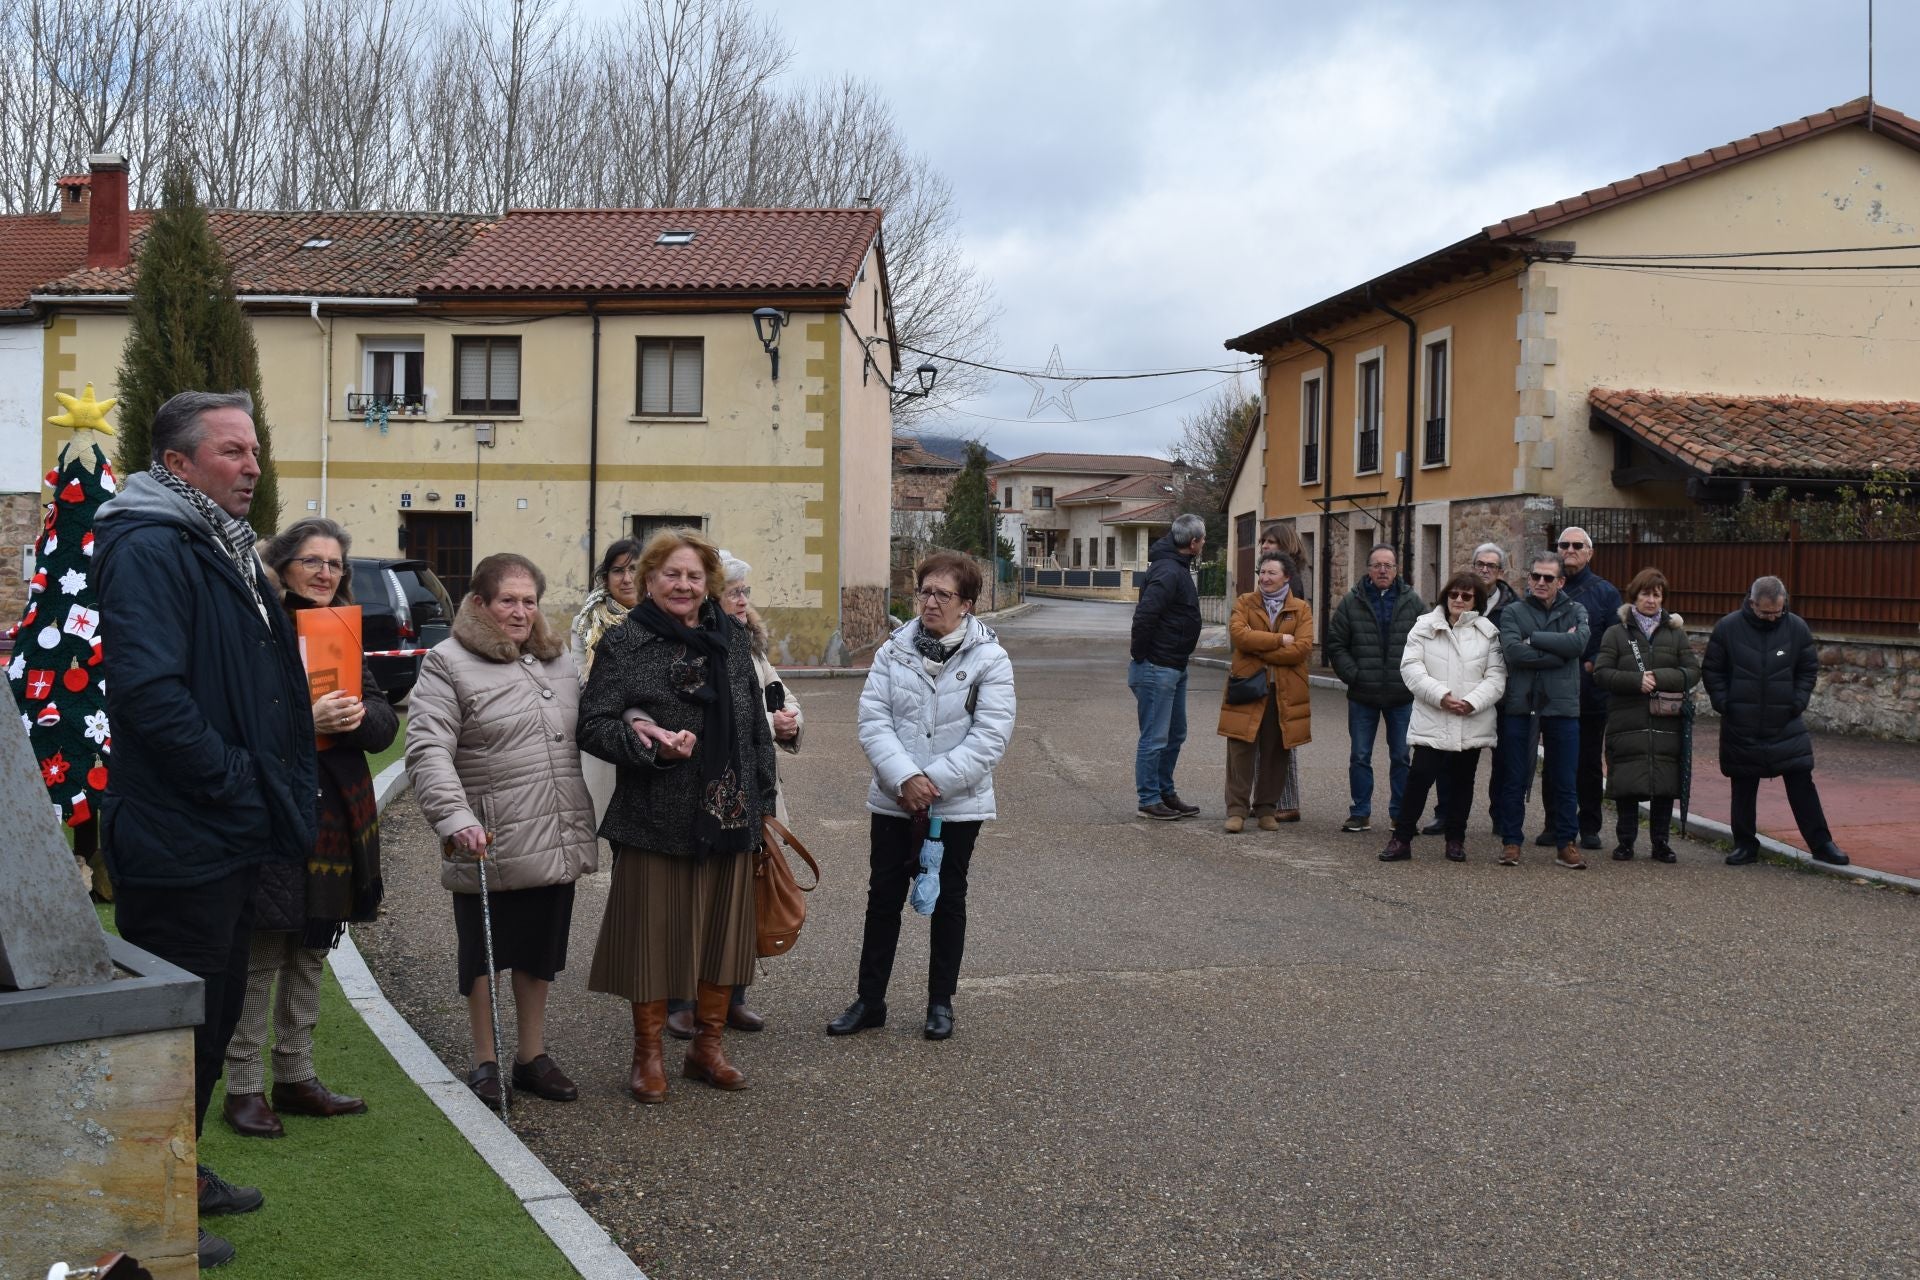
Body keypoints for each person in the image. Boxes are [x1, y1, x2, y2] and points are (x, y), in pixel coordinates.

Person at [96, 389, 316, 1270]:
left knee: (213, 1012)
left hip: (223, 829)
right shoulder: (150, 544)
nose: (252, 466)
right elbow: (149, 694)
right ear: (177, 464)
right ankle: (145, 1211)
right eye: (232, 451)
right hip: (181, 831)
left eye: (255, 450)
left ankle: (179, 1170)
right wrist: (232, 784)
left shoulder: (218, 545)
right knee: (174, 1030)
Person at [578, 530, 776, 1102]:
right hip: (655, 815)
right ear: (649, 580)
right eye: (671, 574)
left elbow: (754, 728)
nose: (683, 585)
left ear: (708, 583)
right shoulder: (627, 642)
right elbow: (593, 724)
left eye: (694, 576)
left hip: (730, 812)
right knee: (652, 938)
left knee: (722, 933)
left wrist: (761, 803)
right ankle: (647, 1056)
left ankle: (706, 1048)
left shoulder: (731, 641)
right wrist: (649, 746)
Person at [222, 518, 397, 1139]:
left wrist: (356, 719)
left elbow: (382, 723)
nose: (325, 574)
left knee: (312, 951)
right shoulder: (257, 629)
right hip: (276, 810)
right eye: (312, 562)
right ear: (284, 565)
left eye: (334, 565)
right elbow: (239, 724)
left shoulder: (343, 628)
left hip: (335, 813)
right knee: (263, 953)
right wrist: (308, 716)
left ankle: (296, 1076)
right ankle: (242, 1087)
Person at [406, 553, 599, 1110]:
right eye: (507, 600)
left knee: (540, 953)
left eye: (529, 601)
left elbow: (592, 723)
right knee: (484, 956)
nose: (519, 612)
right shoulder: (447, 662)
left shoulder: (559, 661)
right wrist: (454, 816)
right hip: (487, 837)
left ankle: (531, 1057)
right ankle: (486, 1061)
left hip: (554, 834)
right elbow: (427, 748)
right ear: (480, 603)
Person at [829, 551, 1015, 1042]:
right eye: (925, 592)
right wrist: (904, 780)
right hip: (895, 799)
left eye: (943, 594)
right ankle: (870, 1001)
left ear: (967, 604)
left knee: (949, 900)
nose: (930, 602)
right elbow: (874, 721)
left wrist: (931, 783)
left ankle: (940, 1003)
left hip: (956, 805)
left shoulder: (990, 659)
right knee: (882, 898)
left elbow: (991, 736)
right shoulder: (894, 650)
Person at [662, 551, 796, 1040]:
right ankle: (681, 1000)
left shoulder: (751, 646)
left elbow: (779, 694)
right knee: (692, 900)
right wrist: (767, 722)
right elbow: (707, 716)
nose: (744, 600)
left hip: (751, 789)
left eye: (746, 593)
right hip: (700, 789)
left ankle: (731, 997)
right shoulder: (696, 643)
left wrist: (788, 722)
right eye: (736, 592)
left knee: (741, 898)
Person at [1702, 576, 1849, 867]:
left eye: (1777, 612)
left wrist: (1797, 702)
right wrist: (1725, 703)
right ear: (1752, 602)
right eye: (1765, 612)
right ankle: (1744, 844)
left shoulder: (1796, 627)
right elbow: (1712, 670)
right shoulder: (1728, 628)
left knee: (1801, 781)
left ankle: (1822, 844)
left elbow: (1808, 668)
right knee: (1743, 785)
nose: (1772, 618)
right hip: (1741, 721)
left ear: (1784, 603)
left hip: (1786, 720)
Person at [1380, 572, 1506, 863]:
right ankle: (1401, 839)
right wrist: (1440, 695)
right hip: (1433, 716)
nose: (1458, 600)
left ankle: (1455, 840)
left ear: (1477, 600)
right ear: (1445, 596)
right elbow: (1411, 667)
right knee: (1419, 777)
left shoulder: (1489, 633)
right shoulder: (1424, 626)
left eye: (1466, 595)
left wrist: (1472, 702)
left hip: (1470, 719)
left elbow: (1497, 676)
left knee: (1463, 782)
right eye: (1453, 594)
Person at [1592, 568, 1699, 863]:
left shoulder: (1676, 634)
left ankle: (1660, 843)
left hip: (1666, 720)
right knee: (1627, 782)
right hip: (1627, 719)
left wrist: (1660, 677)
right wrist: (1635, 681)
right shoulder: (1616, 633)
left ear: (1663, 598)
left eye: (1656, 594)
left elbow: (1692, 672)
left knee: (1664, 784)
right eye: (1645, 593)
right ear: (1634, 596)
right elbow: (1601, 673)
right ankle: (1626, 842)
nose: (1650, 600)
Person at [1493, 551, 1590, 869]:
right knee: (1514, 776)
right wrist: (1558, 650)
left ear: (1561, 581)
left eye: (1548, 577)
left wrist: (1533, 638)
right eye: (1535, 576)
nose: (1540, 582)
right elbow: (1514, 653)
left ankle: (1566, 843)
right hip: (1522, 703)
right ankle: (1511, 841)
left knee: (1564, 778)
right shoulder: (1512, 612)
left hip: (1563, 705)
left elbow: (1578, 647)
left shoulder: (1577, 610)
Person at [1326, 544, 1425, 833]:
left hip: (1401, 694)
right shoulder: (1351, 602)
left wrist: (1414, 678)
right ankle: (1360, 812)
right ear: (1368, 569)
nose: (1383, 570)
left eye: (1389, 565)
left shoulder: (1413, 603)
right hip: (1363, 694)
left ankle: (1400, 814)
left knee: (1401, 757)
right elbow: (1336, 643)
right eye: (1378, 565)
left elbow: (1430, 641)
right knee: (1359, 755)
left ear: (1397, 570)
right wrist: (1353, 675)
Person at [1428, 542, 1521, 836]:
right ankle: (1445, 814)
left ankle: (1500, 817)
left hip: (1501, 694)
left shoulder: (1513, 607)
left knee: (1503, 762)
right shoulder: (1455, 600)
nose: (1484, 570)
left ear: (1501, 571)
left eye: (1490, 566)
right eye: (1479, 564)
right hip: (1460, 694)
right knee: (1449, 757)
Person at [1217, 550, 1312, 833]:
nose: (1264, 578)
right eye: (1262, 572)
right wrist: (1278, 640)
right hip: (1247, 687)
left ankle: (1266, 809)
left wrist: (1261, 651)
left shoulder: (1301, 609)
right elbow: (1240, 637)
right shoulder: (1245, 602)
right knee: (1240, 749)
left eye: (1271, 573)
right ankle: (1236, 810)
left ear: (1286, 577)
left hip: (1283, 690)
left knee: (1275, 750)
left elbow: (1303, 648)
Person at [1550, 527, 1622, 851]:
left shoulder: (1605, 593)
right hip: (1552, 690)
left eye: (1577, 545)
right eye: (1564, 545)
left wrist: (1593, 663)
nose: (1570, 550)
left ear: (1589, 552)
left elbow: (1614, 637)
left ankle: (1589, 825)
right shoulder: (1546, 586)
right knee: (1554, 760)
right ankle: (1554, 824)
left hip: (1591, 692)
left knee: (1590, 762)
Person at [1129, 513, 1205, 821]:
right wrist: (1142, 657)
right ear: (1194, 542)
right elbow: (1145, 616)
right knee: (1155, 737)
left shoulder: (1175, 566)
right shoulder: (1168, 571)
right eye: (1203, 539)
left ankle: (1165, 792)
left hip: (1174, 666)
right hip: (1157, 667)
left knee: (1175, 733)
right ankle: (1149, 798)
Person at [570, 537, 641, 824]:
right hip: (607, 732)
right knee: (613, 824)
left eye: (634, 569)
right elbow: (582, 679)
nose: (626, 579)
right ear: (606, 577)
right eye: (618, 571)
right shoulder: (586, 622)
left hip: (658, 735)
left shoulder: (669, 618)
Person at [1258, 523, 1312, 821]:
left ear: (1286, 545)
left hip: (1284, 675)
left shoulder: (1292, 587)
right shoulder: (1269, 580)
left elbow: (1293, 639)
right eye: (1263, 541)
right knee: (1264, 739)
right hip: (1265, 673)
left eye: (1272, 542)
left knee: (1282, 740)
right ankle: (1267, 800)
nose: (1265, 546)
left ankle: (1287, 803)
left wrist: (1264, 646)